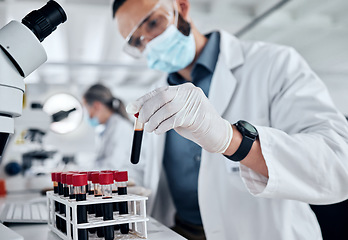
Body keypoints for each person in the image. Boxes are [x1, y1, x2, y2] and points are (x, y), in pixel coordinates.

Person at [112, 0, 348, 239]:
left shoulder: (274, 64)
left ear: (181, 7)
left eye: (153, 23)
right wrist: (125, 186)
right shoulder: (155, 96)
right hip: (180, 231)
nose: (150, 43)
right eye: (136, 41)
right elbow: (141, 167)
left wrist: (232, 140)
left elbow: (339, 164)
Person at [83, 83, 133, 171]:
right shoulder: (109, 128)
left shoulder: (120, 127)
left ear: (96, 106)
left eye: (87, 109)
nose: (88, 116)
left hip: (130, 179)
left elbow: (113, 166)